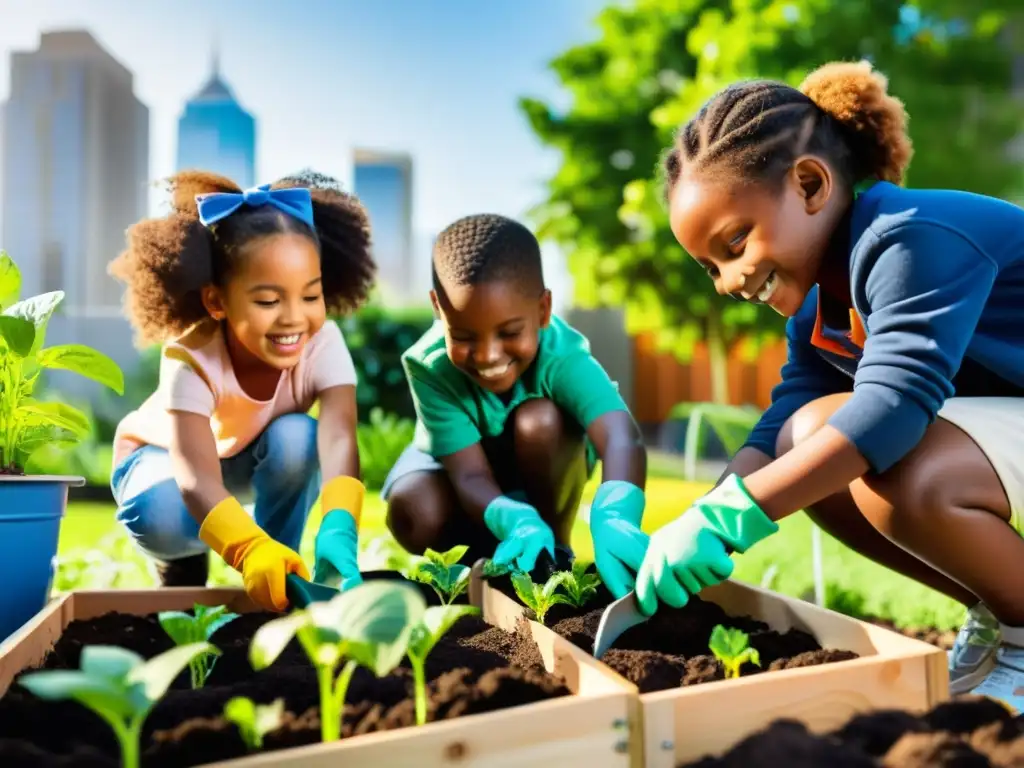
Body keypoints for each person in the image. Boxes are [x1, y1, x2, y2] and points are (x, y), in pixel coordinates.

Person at [633, 58, 1024, 709]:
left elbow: (894, 406)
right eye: (709, 268)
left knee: (898, 464)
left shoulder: (908, 239)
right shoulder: (823, 308)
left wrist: (734, 520)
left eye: (735, 243)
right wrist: (704, 513)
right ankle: (1005, 611)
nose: (729, 282)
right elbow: (779, 429)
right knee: (805, 440)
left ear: (810, 185)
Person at [108, 169, 376, 611]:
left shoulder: (322, 342)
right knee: (160, 512)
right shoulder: (190, 357)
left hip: (242, 458)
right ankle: (186, 564)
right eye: (269, 301)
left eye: (310, 296)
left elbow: (339, 435)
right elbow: (195, 478)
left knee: (298, 437)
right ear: (217, 302)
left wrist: (339, 526)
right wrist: (244, 547)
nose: (294, 318)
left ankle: (280, 571)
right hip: (162, 463)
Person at [381, 213, 649, 597]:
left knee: (539, 419)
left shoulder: (563, 355)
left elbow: (620, 434)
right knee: (412, 508)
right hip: (460, 470)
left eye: (509, 333)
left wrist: (615, 512)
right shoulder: (429, 365)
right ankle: (484, 560)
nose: (487, 356)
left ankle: (554, 551)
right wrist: (515, 520)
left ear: (543, 310)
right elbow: (469, 473)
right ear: (438, 308)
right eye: (463, 336)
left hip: (541, 459)